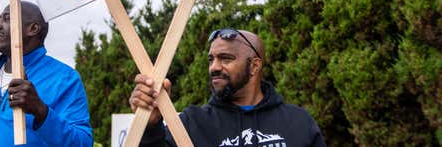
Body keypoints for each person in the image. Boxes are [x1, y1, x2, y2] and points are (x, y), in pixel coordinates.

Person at [130, 28, 326, 147]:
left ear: (254, 66)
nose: (214, 67)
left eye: (226, 58)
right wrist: (149, 126)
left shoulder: (298, 122)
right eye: (211, 59)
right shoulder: (192, 123)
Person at [0, 1, 92, 146]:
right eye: (0, 18)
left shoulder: (65, 79)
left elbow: (82, 142)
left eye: (7, 19)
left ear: (33, 28)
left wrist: (41, 112)